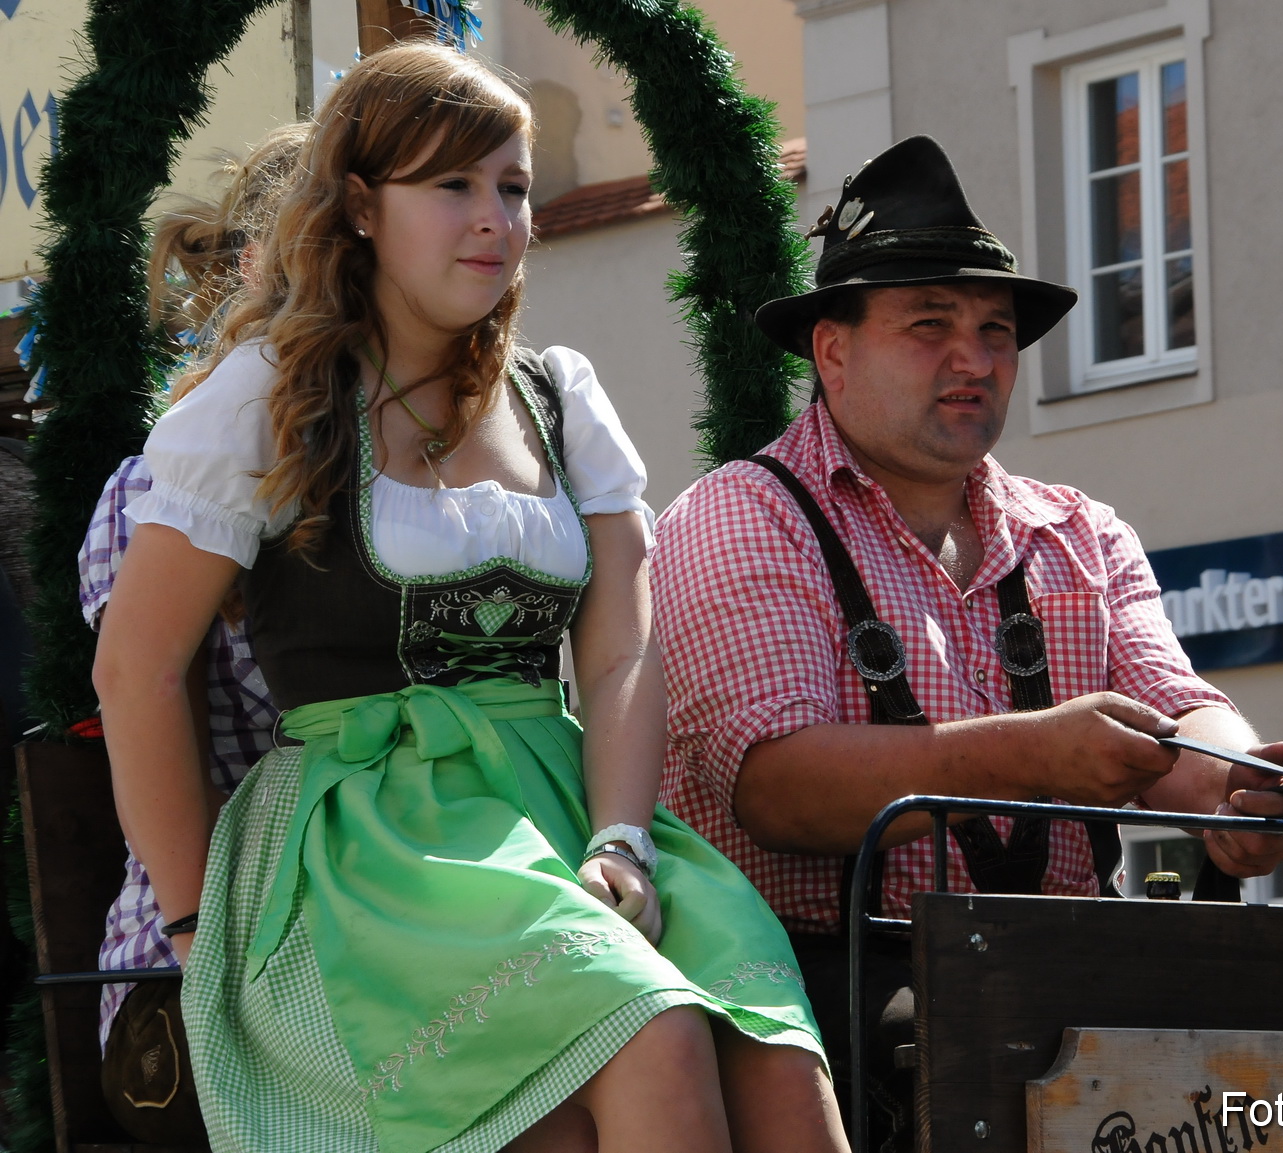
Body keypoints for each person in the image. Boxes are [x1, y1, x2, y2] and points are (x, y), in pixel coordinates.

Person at [92, 43, 844, 1153]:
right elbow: (134, 669)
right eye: (451, 185)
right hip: (370, 846)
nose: (493, 217)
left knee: (771, 1042)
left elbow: (623, 650)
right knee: (652, 1027)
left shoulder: (558, 395)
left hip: (560, 810)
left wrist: (626, 837)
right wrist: (200, 919)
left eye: (513, 186)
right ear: (358, 206)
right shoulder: (265, 399)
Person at [650, 135, 1283, 1141]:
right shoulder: (742, 516)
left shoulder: (1078, 532)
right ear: (833, 348)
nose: (975, 360)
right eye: (929, 326)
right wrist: (1031, 753)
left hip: (1067, 1021)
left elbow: (1177, 716)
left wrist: (1238, 786)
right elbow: (775, 787)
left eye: (996, 332)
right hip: (820, 1025)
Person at [80, 121, 306, 1142]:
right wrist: (200, 935)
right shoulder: (160, 485)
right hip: (205, 962)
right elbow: (136, 685)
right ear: (262, 265)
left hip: (384, 927)